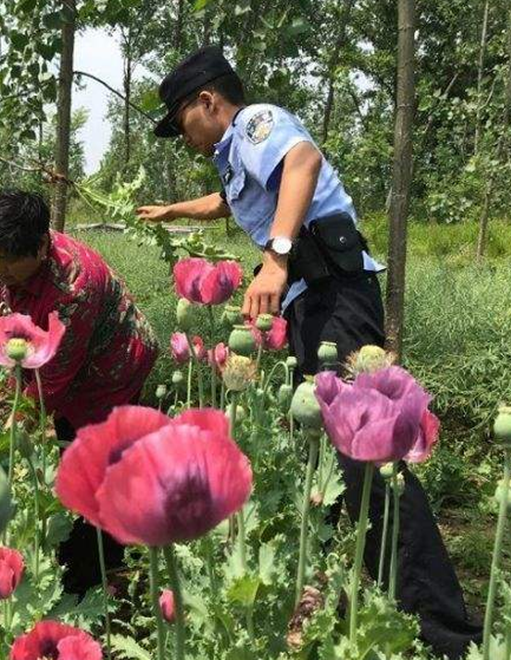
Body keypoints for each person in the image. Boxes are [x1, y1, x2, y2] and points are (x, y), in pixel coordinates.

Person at [137, 46, 481, 659]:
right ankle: (373, 598)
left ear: (207, 102)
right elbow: (229, 201)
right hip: (310, 304)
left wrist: (274, 256)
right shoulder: (232, 154)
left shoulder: (255, 122)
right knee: (331, 463)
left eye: (180, 121)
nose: (182, 138)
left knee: (371, 461)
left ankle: (446, 635)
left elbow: (303, 160)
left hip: (336, 296)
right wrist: (173, 211)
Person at [0, 189, 159, 594]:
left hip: (110, 370)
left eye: (10, 259)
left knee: (92, 468)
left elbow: (40, 389)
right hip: (44, 362)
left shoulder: (75, 285)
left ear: (42, 246)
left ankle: (95, 583)